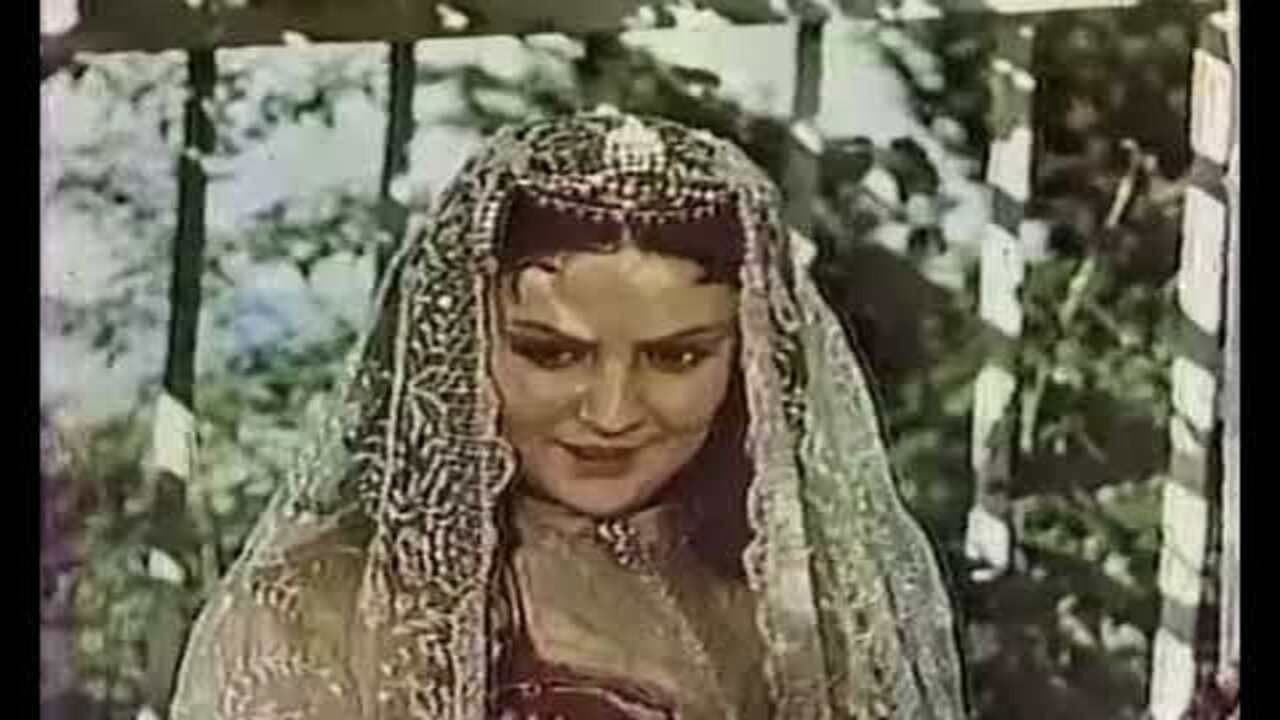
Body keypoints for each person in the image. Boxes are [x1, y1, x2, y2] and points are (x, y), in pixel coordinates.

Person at [170, 110, 967, 719]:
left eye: (676, 358)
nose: (612, 412)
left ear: (752, 360)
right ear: (459, 345)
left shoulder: (806, 608)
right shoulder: (325, 607)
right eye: (551, 354)